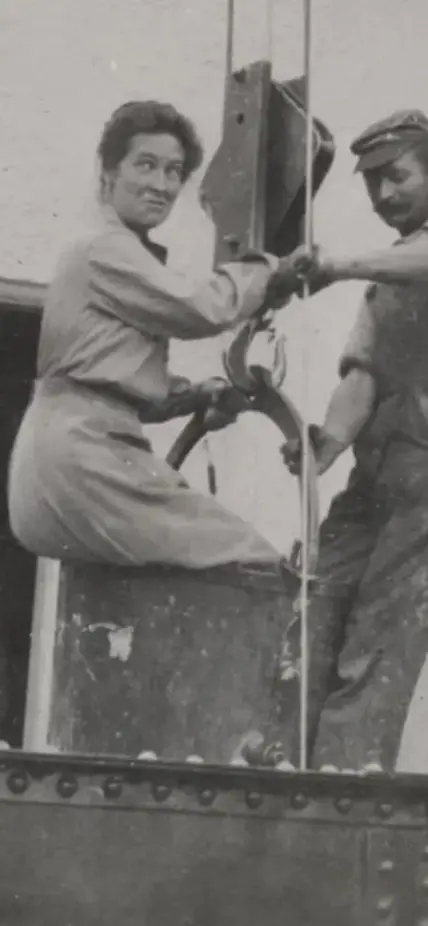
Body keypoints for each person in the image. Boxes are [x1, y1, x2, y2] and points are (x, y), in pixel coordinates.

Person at [8, 100, 303, 569]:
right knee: (253, 562)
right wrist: (269, 270)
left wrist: (197, 395)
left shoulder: (111, 253)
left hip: (60, 464)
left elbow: (120, 388)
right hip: (82, 460)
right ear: (108, 171)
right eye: (146, 165)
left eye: (174, 171)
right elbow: (203, 309)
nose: (162, 185)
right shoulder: (105, 247)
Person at [281, 109, 428, 771]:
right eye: (371, 184)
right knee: (310, 606)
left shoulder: (404, 261)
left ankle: (344, 802)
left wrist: (335, 263)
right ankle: (282, 770)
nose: (383, 196)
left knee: (378, 643)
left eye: (395, 176)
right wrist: (327, 443)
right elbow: (364, 377)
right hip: (374, 482)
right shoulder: (389, 274)